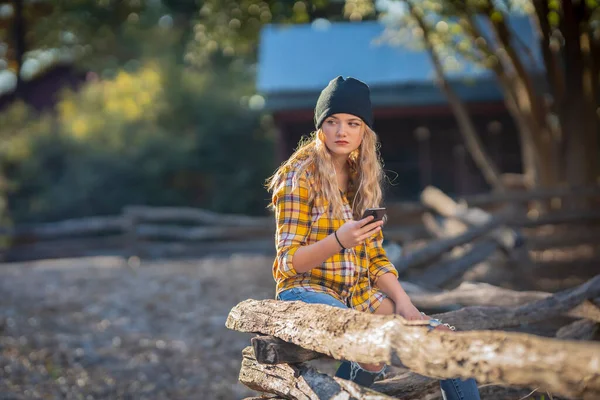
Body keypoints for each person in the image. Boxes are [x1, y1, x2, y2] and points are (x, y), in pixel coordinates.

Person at [265, 76, 481, 399]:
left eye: (353, 123)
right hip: (306, 291)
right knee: (368, 348)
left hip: (356, 294)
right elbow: (287, 264)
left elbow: (376, 260)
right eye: (332, 122)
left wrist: (406, 305)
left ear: (364, 130)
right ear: (319, 126)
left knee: (446, 346)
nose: (342, 132)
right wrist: (339, 240)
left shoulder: (360, 178)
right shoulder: (298, 176)